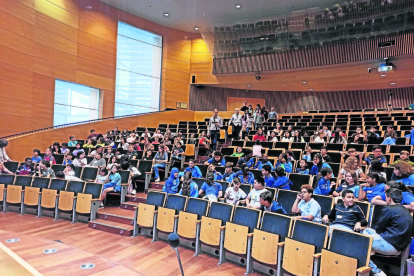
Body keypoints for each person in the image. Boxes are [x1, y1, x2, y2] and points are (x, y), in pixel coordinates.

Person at [363, 189, 413, 276]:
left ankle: (377, 272)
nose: (385, 199)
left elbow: (379, 228)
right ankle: (369, 251)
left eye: (385, 197)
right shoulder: (406, 210)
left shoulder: (388, 209)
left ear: (389, 199)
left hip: (390, 245)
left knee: (359, 243)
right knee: (367, 230)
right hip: (400, 245)